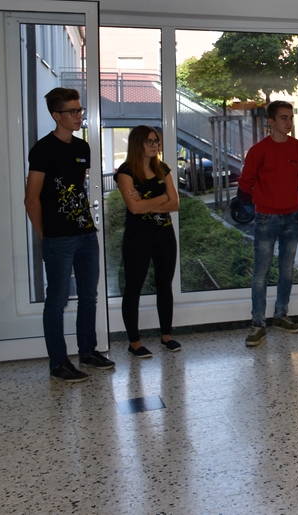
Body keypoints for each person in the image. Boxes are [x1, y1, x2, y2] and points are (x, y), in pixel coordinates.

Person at [24, 88, 115, 382]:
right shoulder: (42, 150)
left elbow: (78, 187)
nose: (78, 116)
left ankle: (87, 351)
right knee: (57, 300)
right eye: (72, 111)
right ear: (56, 115)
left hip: (86, 233)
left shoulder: (82, 148)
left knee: (89, 295)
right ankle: (58, 363)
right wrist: (45, 236)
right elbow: (31, 199)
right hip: (58, 238)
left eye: (80, 110)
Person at [237, 100, 298, 347]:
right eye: (284, 118)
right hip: (266, 218)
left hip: (292, 216)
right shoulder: (258, 150)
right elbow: (245, 182)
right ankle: (258, 323)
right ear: (271, 122)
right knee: (261, 273)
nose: (289, 122)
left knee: (287, 270)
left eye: (291, 118)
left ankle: (281, 315)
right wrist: (262, 199)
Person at [114, 125, 181, 357]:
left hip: (164, 234)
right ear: (137, 144)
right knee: (133, 288)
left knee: (165, 285)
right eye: (149, 141)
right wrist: (162, 197)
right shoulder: (125, 172)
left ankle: (166, 336)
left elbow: (175, 203)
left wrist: (147, 203)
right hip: (138, 237)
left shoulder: (163, 168)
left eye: (156, 141)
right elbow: (134, 208)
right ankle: (134, 342)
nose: (154, 146)